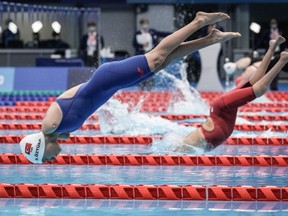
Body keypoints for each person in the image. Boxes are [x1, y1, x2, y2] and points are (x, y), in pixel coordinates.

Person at [19, 12, 240, 164]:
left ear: (40, 146)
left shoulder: (49, 126)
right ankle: (210, 39)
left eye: (45, 157)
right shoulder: (59, 132)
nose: (52, 159)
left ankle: (198, 22)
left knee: (156, 57)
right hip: (111, 84)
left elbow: (71, 96)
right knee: (163, 61)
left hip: (106, 80)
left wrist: (99, 83)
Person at [177, 36, 287, 152]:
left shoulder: (183, 147)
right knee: (252, 84)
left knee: (257, 89)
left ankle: (282, 60)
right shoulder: (188, 145)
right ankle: (272, 47)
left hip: (221, 109)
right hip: (221, 116)